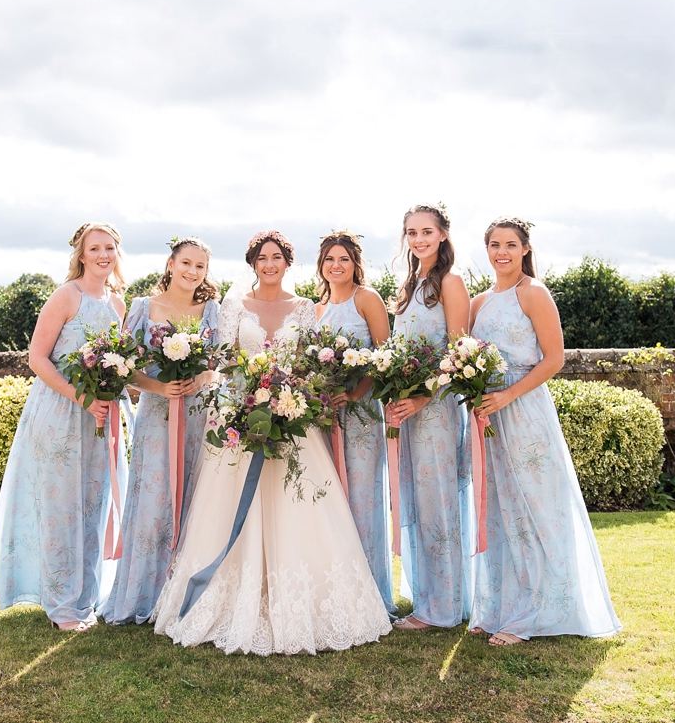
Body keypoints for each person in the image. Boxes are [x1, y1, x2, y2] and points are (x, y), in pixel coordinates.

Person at [153, 230, 392, 655]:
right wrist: (245, 398)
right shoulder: (232, 304)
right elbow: (225, 359)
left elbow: (304, 361)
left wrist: (287, 397)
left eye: (277, 257)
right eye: (262, 257)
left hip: (290, 415)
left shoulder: (304, 308)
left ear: (287, 263)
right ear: (252, 263)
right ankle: (229, 601)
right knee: (228, 512)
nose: (269, 264)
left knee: (296, 508)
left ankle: (300, 607)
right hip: (241, 416)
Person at [469, 217, 622, 645]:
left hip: (524, 411)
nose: (503, 252)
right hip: (487, 416)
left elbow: (554, 359)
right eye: (495, 245)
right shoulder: (479, 302)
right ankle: (499, 605)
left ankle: (539, 612)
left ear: (525, 249)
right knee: (498, 508)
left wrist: (508, 395)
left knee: (536, 506)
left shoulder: (533, 293)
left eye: (511, 245)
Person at [0, 222, 129, 632]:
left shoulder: (118, 304)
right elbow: (37, 358)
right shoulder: (66, 295)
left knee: (94, 505)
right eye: (95, 248)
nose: (103, 255)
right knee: (61, 510)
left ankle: (85, 600)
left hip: (100, 419)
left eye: (110, 247)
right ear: (82, 255)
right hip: (60, 412)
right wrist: (82, 398)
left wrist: (110, 395)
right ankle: (61, 607)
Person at [100, 237, 221, 625]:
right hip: (157, 415)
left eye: (200, 266)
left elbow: (220, 362)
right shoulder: (141, 307)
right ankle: (142, 596)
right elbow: (123, 362)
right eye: (186, 263)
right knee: (153, 504)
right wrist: (157, 387)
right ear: (170, 264)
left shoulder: (211, 310)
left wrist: (201, 375)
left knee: (194, 500)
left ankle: (183, 599)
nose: (192, 271)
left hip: (199, 413)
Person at [387, 203, 471, 630]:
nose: (419, 239)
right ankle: (427, 597)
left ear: (442, 234)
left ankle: (443, 608)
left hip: (436, 410)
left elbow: (458, 354)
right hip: (408, 411)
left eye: (426, 231)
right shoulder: (409, 285)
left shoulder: (451, 283)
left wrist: (421, 398)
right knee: (417, 503)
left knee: (438, 503)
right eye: (412, 232)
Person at [314, 230, 396, 616]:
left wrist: (355, 392)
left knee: (363, 499)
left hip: (361, 414)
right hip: (326, 414)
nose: (336, 265)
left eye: (343, 259)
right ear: (321, 265)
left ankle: (372, 596)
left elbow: (385, 359)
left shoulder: (368, 299)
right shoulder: (317, 307)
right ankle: (338, 591)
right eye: (330, 259)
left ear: (355, 262)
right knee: (333, 500)